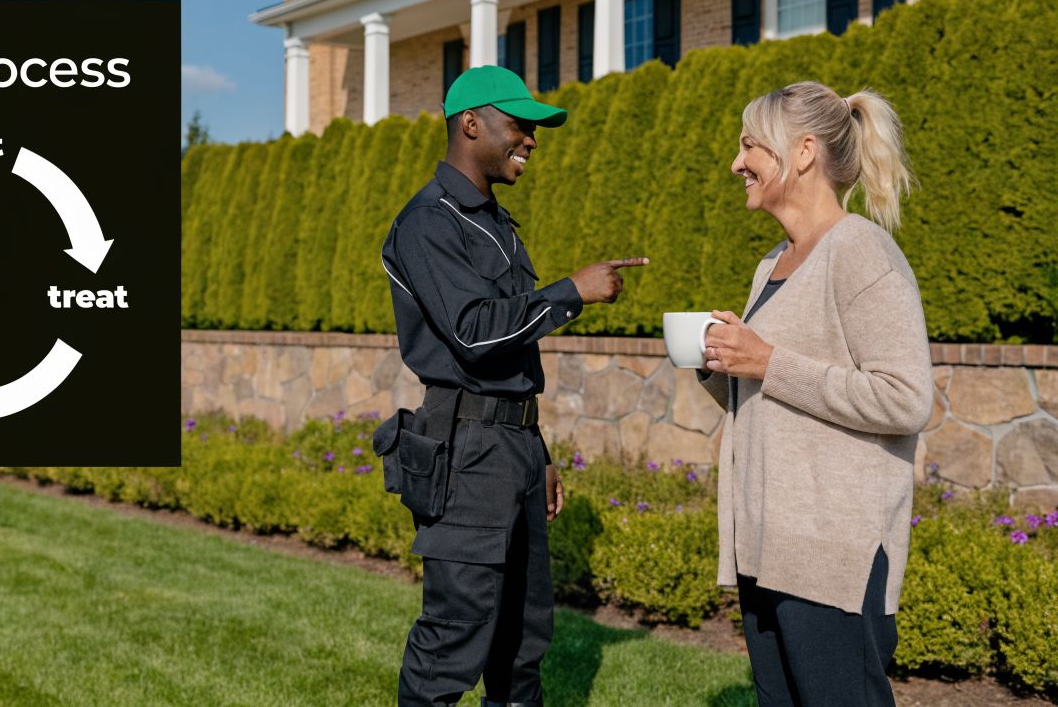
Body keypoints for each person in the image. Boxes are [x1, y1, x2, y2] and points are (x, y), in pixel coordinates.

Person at [378, 64, 648, 707]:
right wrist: (569, 292)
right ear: (470, 124)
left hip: (512, 453)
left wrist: (538, 450)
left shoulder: (494, 222)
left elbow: (508, 360)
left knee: (522, 645)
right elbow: (472, 333)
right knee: (453, 643)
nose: (530, 139)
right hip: (465, 458)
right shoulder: (428, 222)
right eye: (519, 124)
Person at [698, 81, 933, 707]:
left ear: (802, 153)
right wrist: (722, 362)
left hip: (833, 551)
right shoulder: (772, 262)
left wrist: (768, 360)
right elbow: (777, 402)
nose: (736, 162)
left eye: (750, 145)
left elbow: (906, 398)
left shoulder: (861, 250)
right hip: (768, 543)